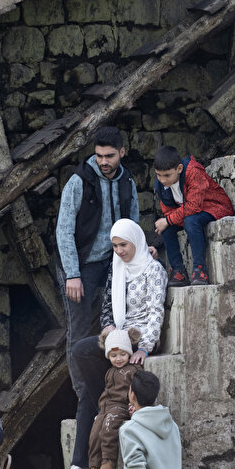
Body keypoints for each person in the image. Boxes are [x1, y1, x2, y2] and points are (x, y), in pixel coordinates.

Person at [63, 218, 167, 469]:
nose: (119, 251)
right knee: (82, 354)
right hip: (118, 337)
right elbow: (108, 305)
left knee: (87, 383)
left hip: (138, 338)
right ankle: (80, 464)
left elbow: (155, 312)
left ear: (136, 242)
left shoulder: (153, 271)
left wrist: (145, 346)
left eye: (124, 245)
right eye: (115, 246)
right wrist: (108, 326)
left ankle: (81, 463)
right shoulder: (117, 267)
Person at [56, 125, 140, 375]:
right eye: (99, 155)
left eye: (109, 156)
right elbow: (64, 230)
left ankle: (119, 383)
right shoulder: (78, 181)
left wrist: (141, 255)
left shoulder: (127, 182)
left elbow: (133, 225)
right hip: (82, 263)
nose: (103, 161)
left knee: (123, 322)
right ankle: (83, 393)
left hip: (114, 262)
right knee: (79, 331)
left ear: (121, 152)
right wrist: (72, 274)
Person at [152, 145, 235, 286]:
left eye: (167, 175)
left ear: (179, 169)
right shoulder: (160, 184)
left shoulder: (193, 172)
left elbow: (194, 205)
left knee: (189, 221)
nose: (163, 180)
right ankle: (178, 271)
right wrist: (167, 221)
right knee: (166, 227)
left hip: (214, 207)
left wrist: (168, 219)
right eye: (159, 175)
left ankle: (200, 270)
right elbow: (168, 210)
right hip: (189, 213)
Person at [84, 327, 143, 469]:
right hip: (105, 407)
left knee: (108, 427)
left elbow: (138, 389)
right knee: (94, 434)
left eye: (122, 354)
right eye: (113, 355)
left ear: (129, 352)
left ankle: (108, 460)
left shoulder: (134, 370)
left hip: (121, 406)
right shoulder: (109, 372)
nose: (118, 359)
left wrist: (136, 405)